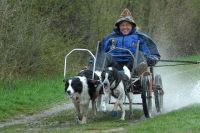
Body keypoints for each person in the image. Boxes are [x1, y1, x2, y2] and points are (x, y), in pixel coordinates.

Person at [98, 8, 160, 74]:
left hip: (132, 67)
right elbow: (99, 54)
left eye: (127, 25)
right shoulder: (108, 38)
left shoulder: (141, 38)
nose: (125, 27)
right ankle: (94, 75)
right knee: (105, 56)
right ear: (119, 26)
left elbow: (154, 55)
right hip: (113, 66)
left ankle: (142, 74)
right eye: (122, 25)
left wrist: (148, 59)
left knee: (138, 54)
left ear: (132, 26)